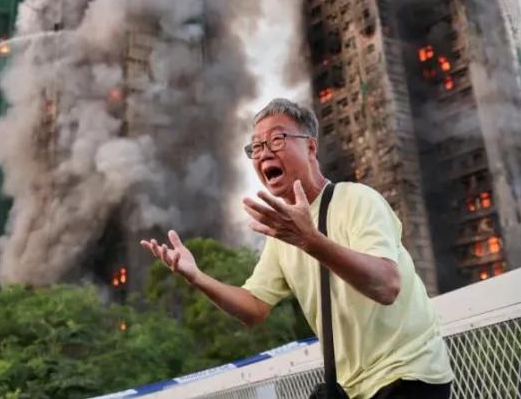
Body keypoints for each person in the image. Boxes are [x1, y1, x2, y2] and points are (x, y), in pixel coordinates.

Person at [141, 98, 454, 399]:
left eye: (277, 140)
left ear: (311, 146)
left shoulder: (357, 200)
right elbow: (253, 308)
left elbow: (387, 285)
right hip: (352, 388)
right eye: (257, 147)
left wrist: (310, 240)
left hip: (409, 374)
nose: (264, 153)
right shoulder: (282, 234)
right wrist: (197, 277)